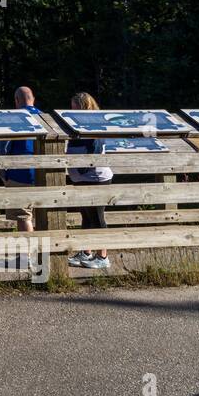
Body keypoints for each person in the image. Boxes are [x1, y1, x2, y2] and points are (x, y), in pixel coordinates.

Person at [66, 91, 114, 270]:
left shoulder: (93, 125)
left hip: (95, 176)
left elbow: (94, 148)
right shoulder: (76, 124)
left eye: (75, 107)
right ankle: (86, 251)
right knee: (86, 216)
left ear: (83, 107)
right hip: (82, 177)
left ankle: (103, 256)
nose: (72, 110)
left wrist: (83, 167)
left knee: (96, 216)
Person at [0, 85, 41, 232]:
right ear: (33, 99)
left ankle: (27, 253)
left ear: (16, 100)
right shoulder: (44, 117)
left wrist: (3, 174)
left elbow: (2, 148)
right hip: (44, 172)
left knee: (23, 215)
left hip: (20, 174)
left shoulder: (13, 118)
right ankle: (44, 252)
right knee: (42, 214)